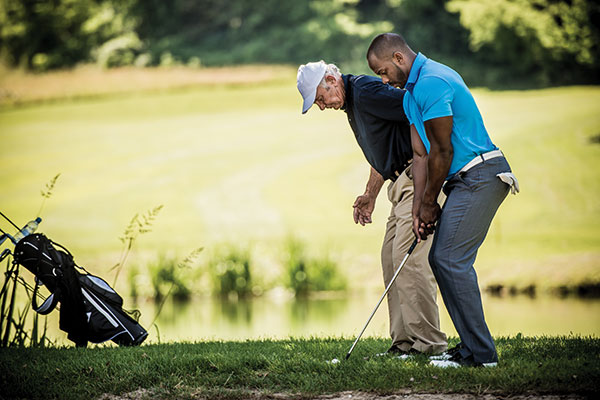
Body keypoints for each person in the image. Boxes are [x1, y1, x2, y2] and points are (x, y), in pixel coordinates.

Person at [366, 33, 519, 368]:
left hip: (481, 174)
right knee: (441, 259)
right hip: (463, 181)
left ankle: (482, 356)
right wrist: (419, 207)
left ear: (398, 58)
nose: (383, 79)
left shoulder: (432, 82)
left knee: (450, 259)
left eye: (383, 72)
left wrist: (431, 202)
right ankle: (470, 350)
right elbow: (420, 156)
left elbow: (442, 150)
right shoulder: (410, 96)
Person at [296, 60, 448, 356]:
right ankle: (404, 344)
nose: (321, 106)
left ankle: (430, 346)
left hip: (417, 179)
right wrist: (370, 194)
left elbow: (415, 107)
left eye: (319, 98)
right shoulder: (353, 102)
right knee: (391, 260)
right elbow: (383, 149)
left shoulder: (364, 91)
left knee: (411, 261)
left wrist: (427, 168)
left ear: (330, 79)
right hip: (399, 184)